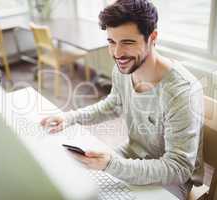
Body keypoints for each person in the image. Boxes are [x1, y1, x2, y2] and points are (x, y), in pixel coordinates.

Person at [40, 0, 204, 199]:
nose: (117, 53)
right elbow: (113, 104)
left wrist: (112, 164)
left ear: (152, 37)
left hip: (172, 179)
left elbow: (178, 168)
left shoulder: (181, 91)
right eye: (111, 42)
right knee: (77, 183)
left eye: (128, 42)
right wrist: (70, 117)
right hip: (132, 154)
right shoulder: (125, 68)